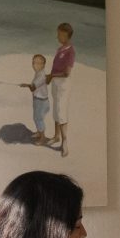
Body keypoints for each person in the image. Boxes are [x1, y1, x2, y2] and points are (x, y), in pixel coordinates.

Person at [46, 23, 76, 157]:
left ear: (66, 35)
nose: (57, 36)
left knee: (61, 111)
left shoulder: (71, 51)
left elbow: (67, 73)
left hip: (64, 84)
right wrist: (49, 79)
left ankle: (65, 142)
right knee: (56, 110)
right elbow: (54, 67)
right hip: (55, 83)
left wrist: (52, 76)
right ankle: (56, 136)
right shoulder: (60, 49)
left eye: (60, 34)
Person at [20, 54, 51, 145]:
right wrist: (27, 85)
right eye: (34, 63)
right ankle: (39, 132)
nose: (35, 65)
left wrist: (26, 85)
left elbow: (33, 88)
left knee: (38, 119)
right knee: (36, 118)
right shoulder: (38, 73)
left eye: (38, 63)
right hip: (38, 100)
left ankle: (43, 138)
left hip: (41, 101)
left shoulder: (41, 76)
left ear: (43, 65)